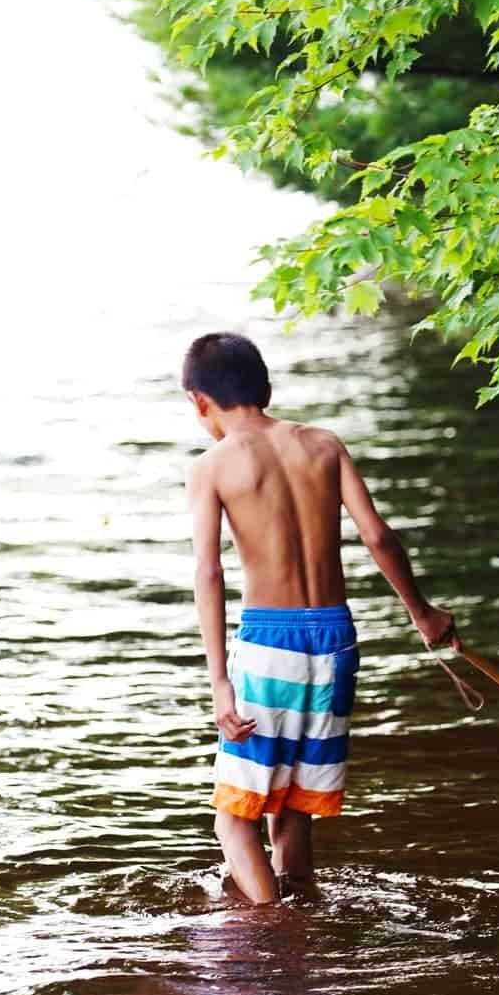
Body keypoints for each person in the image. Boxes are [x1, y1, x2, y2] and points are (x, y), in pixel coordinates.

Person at [183, 330, 458, 906]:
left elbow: (210, 572)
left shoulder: (213, 465)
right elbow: (378, 535)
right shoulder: (324, 445)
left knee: (233, 822)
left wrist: (219, 684)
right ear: (267, 387)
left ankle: (272, 930)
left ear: (198, 401)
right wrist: (422, 613)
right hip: (336, 640)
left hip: (270, 640)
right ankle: (305, 916)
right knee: (295, 805)